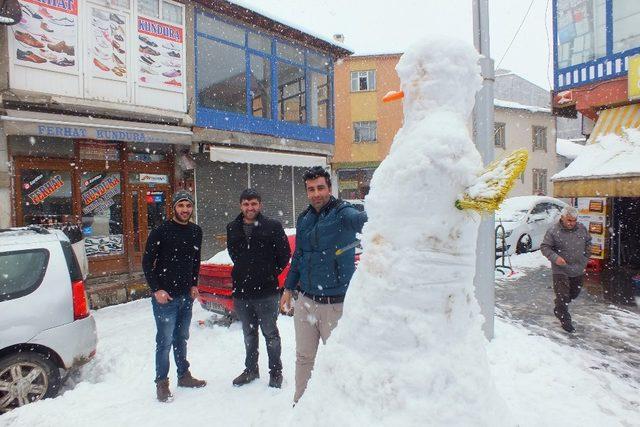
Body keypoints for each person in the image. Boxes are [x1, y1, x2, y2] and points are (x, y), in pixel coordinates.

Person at [279, 166, 367, 403]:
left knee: (339, 359)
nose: (316, 193)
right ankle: (301, 405)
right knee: (303, 357)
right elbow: (299, 255)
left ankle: (338, 410)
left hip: (334, 306)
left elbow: (365, 221)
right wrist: (288, 288)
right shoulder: (305, 218)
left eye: (320, 188)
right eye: (311, 189)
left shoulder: (343, 213)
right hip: (305, 301)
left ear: (329, 187)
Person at [142, 190, 206, 402]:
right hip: (166, 298)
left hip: (186, 296)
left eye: (188, 206)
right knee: (165, 341)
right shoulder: (161, 232)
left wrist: (194, 284)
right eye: (181, 206)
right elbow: (147, 262)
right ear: (174, 208)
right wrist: (156, 289)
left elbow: (195, 260)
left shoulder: (196, 231)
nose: (185, 210)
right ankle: (162, 383)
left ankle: (184, 375)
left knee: (182, 338)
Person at [227, 189, 291, 389]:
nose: (250, 208)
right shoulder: (232, 227)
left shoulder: (272, 226)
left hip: (267, 292)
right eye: (246, 204)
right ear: (241, 206)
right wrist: (246, 271)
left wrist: (269, 272)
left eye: (253, 203)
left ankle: (276, 372)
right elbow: (234, 254)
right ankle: (251, 370)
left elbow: (284, 254)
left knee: (270, 334)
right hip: (242, 293)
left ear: (260, 205)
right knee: (249, 334)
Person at [540, 206, 592, 333]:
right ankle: (564, 318)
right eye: (569, 220)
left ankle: (559, 306)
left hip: (577, 268)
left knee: (574, 293)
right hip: (560, 270)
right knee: (563, 296)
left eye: (574, 220)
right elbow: (545, 247)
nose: (571, 223)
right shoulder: (553, 231)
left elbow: (588, 242)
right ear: (562, 218)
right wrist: (555, 258)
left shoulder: (581, 228)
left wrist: (585, 258)